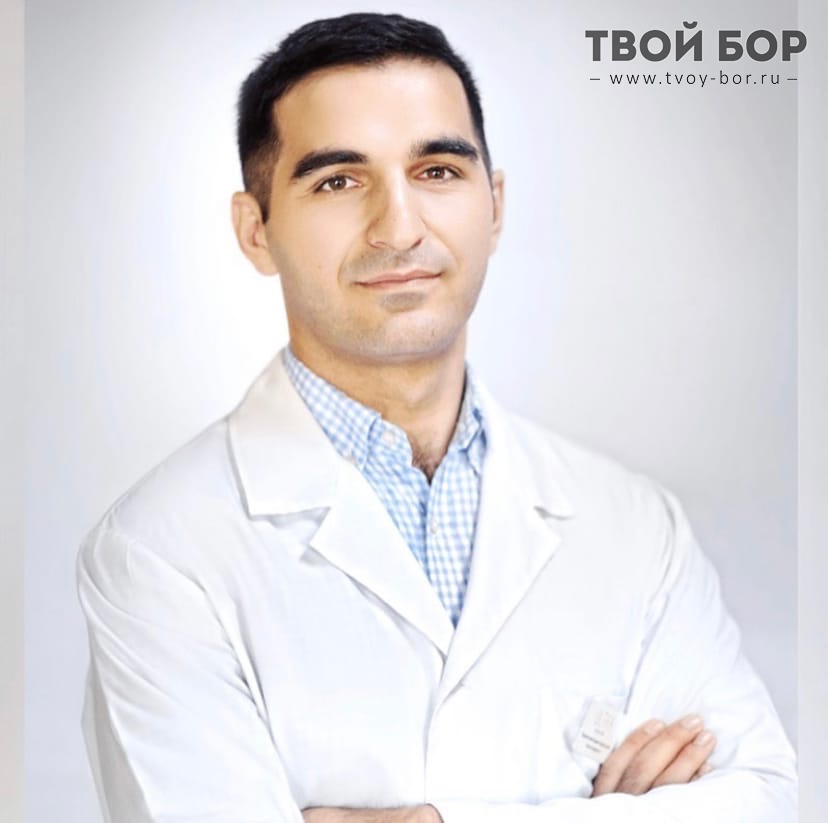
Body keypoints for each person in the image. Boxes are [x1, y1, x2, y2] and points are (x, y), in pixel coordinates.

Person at [76, 12, 796, 823]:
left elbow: (769, 800)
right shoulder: (159, 551)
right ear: (256, 231)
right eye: (337, 181)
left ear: (494, 205)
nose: (399, 227)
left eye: (438, 171)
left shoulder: (635, 525)